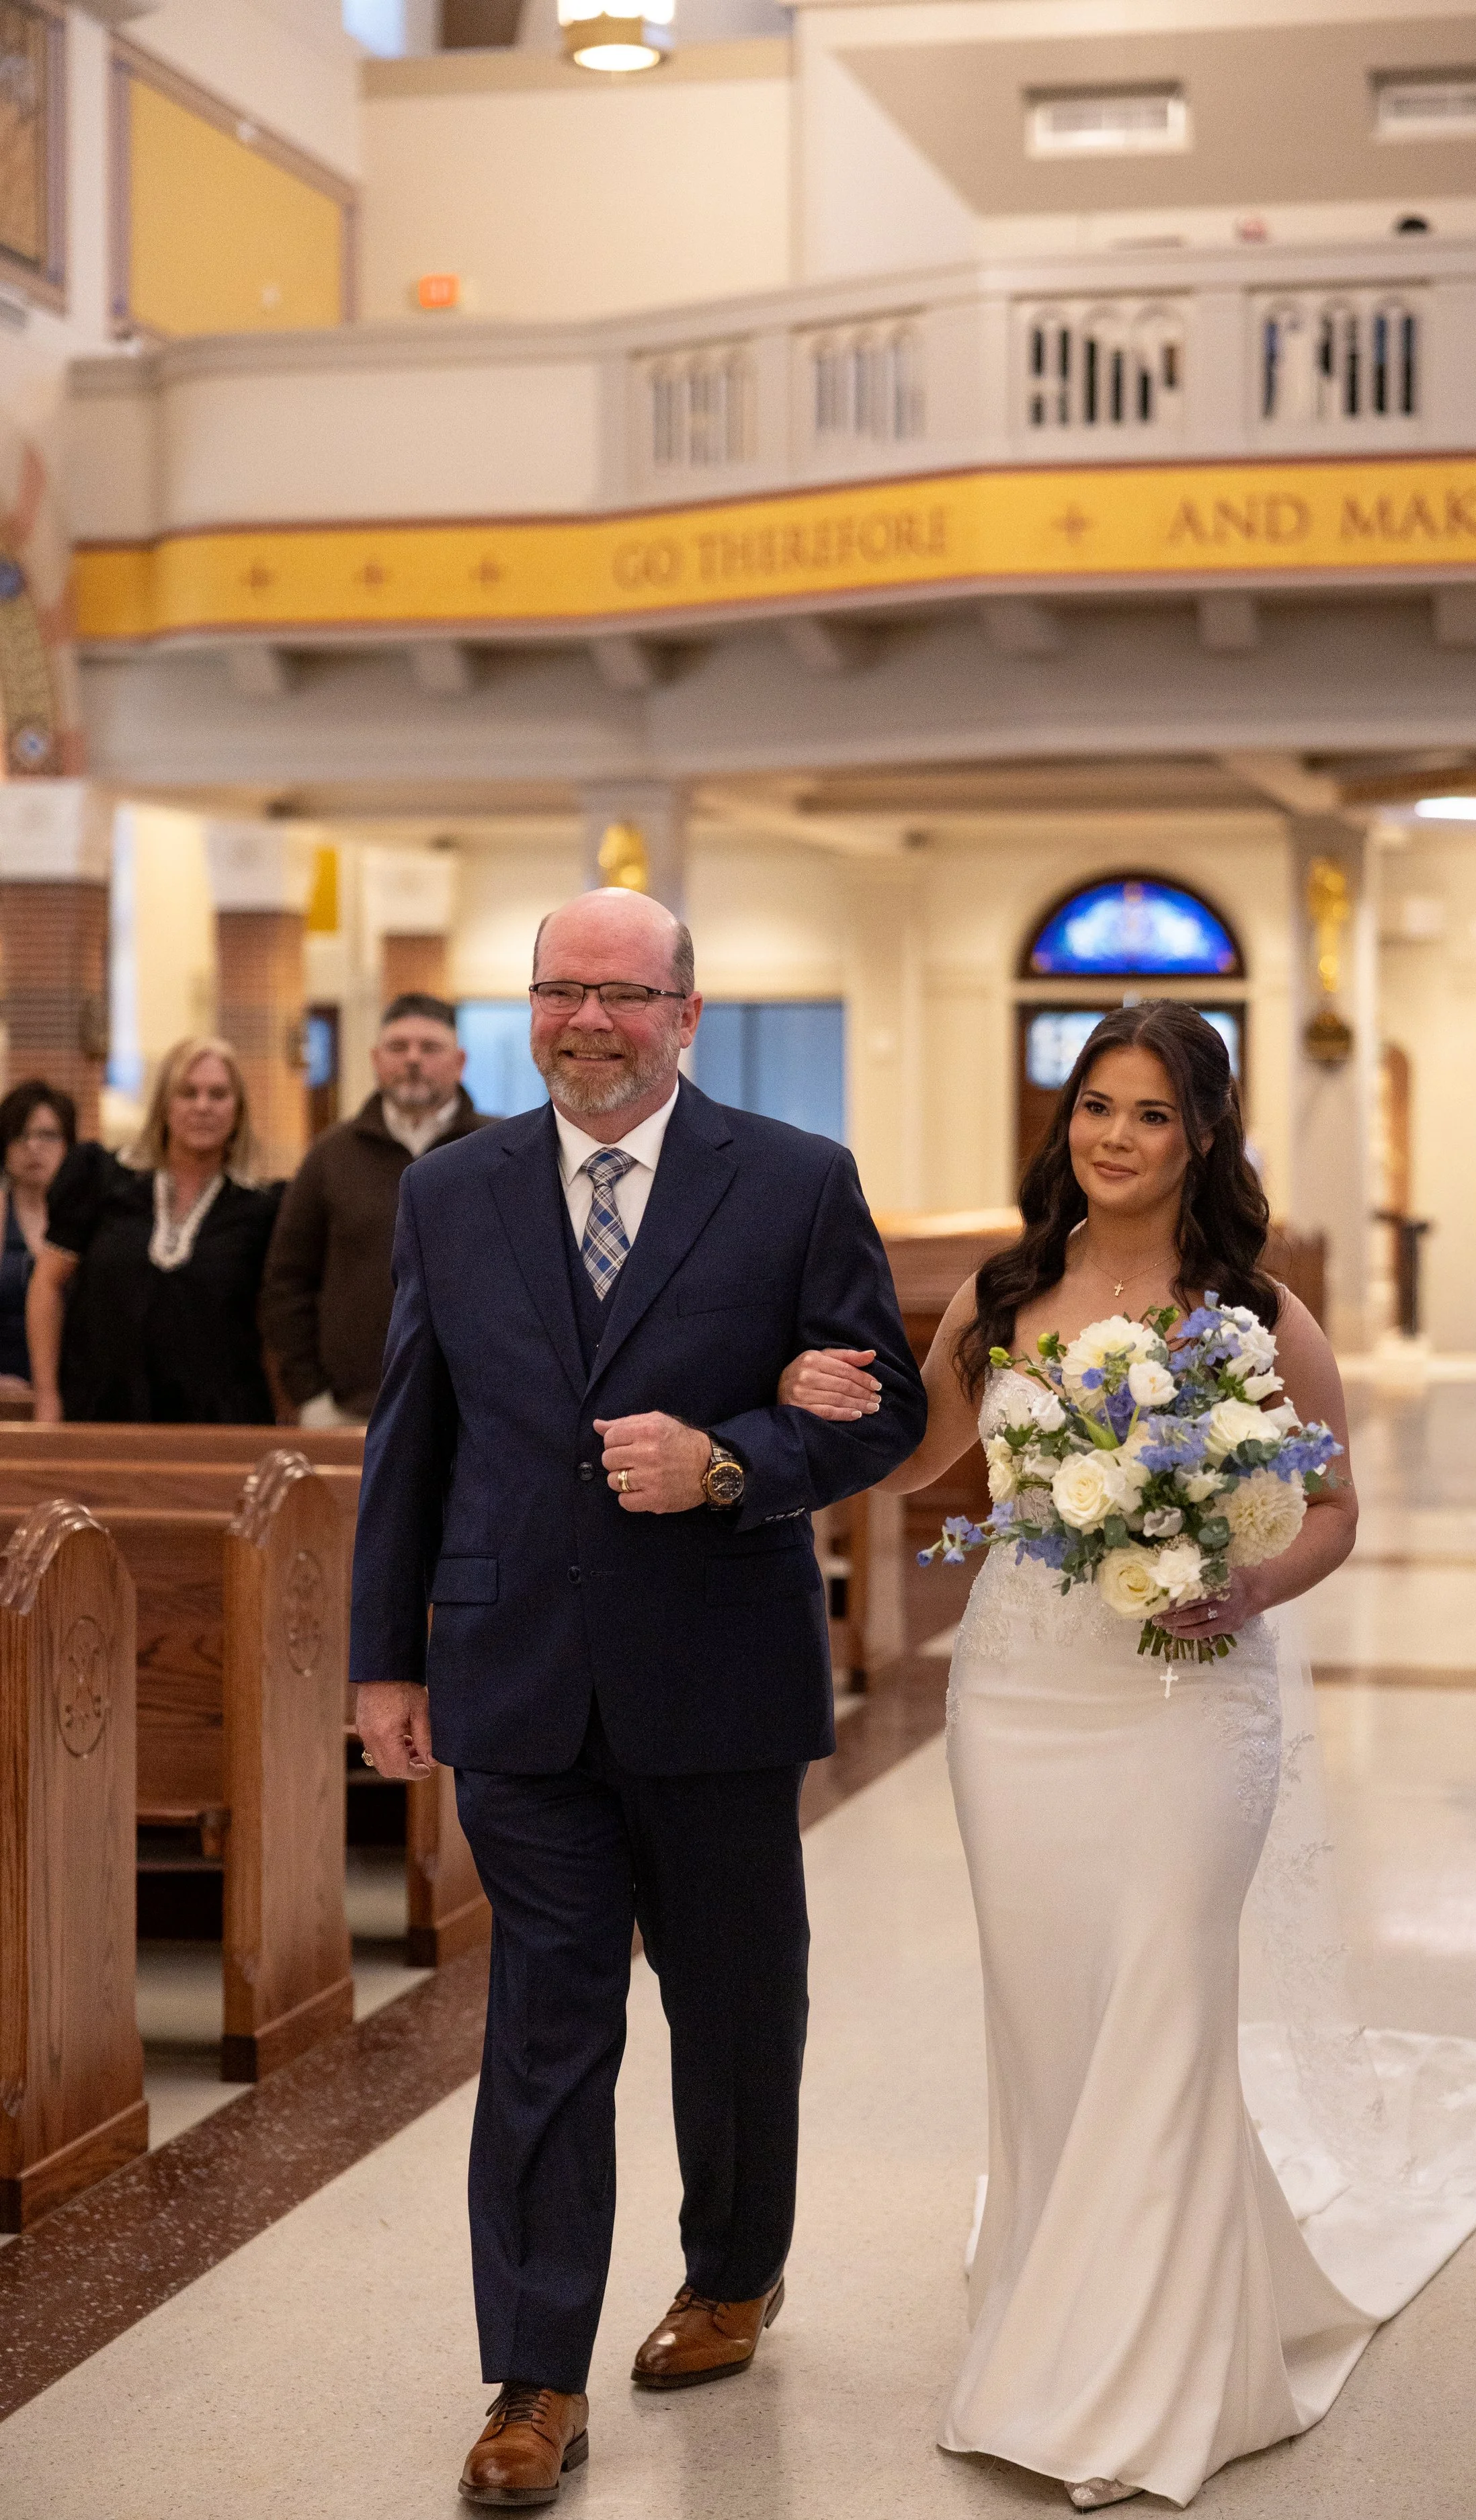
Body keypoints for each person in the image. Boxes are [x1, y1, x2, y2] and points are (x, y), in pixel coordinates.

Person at [772, 1005, 1401, 2504]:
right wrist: (813, 1405)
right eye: (1095, 1109)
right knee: (1052, 2016)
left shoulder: (1248, 1312)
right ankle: (1061, 2320)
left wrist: (1241, 1579)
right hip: (1020, 1697)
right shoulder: (1000, 1295)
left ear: (1201, 1140)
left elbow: (1332, 1509)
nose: (1113, 1140)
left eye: (1150, 1116)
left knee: (1166, 2000)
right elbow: (926, 1456)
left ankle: (1151, 2379)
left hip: (1188, 1701)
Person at [350, 886, 926, 2508]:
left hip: (720, 1678)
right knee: (543, 2026)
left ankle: (734, 2270)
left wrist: (734, 1456)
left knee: (736, 2009)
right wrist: (386, 1656)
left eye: (621, 992)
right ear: (526, 1011)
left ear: (685, 1010)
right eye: (558, 991)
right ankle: (534, 2375)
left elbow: (874, 1413)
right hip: (517, 1673)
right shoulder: (453, 1191)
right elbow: (414, 1432)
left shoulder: (794, 1182)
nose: (586, 1022)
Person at [261, 991, 486, 1427]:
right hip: (356, 1409)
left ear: (460, 1062)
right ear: (375, 1059)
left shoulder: (499, 1152)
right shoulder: (330, 1155)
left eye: (430, 1047)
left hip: (478, 1411)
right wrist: (311, 1398)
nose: (413, 1059)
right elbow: (287, 1283)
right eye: (398, 1047)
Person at [29, 1036, 281, 1425]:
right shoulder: (100, 1179)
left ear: (239, 1110)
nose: (203, 1106)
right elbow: (46, 1285)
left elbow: (271, 1325)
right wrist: (47, 1397)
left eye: (218, 1095)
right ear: (164, 1105)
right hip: (100, 1411)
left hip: (219, 1423)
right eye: (188, 1093)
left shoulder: (263, 1208)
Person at [0, 1080, 75, 1398]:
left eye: (47, 1135)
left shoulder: (89, 1218)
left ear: (69, 1144)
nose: (33, 1146)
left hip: (73, 1395)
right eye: (20, 1135)